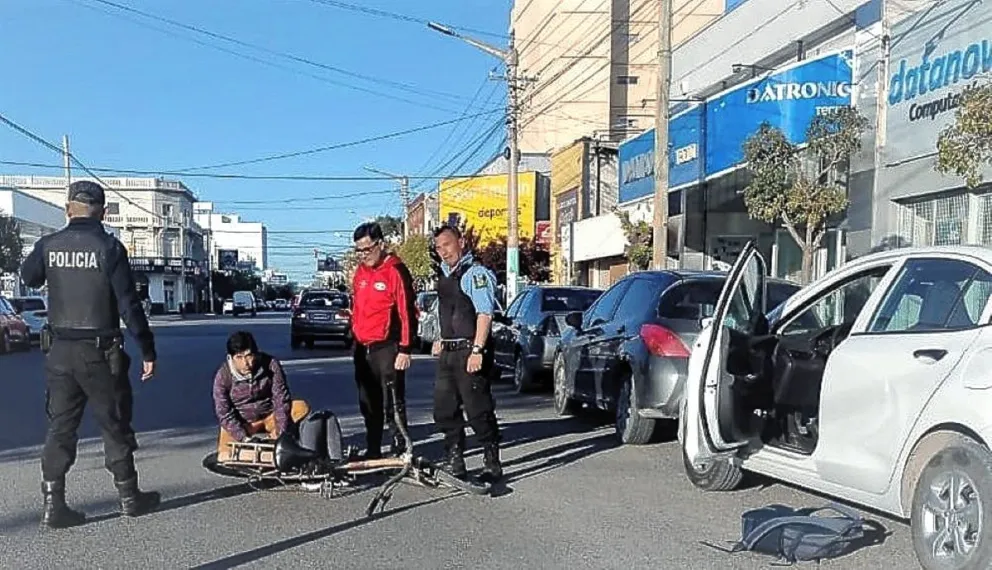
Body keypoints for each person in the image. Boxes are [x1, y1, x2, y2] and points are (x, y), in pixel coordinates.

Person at [19, 180, 160, 529]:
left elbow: (29, 276)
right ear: (104, 211)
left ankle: (54, 504)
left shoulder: (49, 244)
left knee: (60, 427)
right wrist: (147, 348)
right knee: (113, 423)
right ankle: (129, 497)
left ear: (69, 208)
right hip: (100, 352)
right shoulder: (109, 248)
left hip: (59, 352)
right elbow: (129, 304)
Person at [431, 224, 503, 483]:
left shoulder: (475, 274)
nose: (443, 252)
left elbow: (485, 314)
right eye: (439, 248)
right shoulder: (444, 275)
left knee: (477, 410)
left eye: (447, 245)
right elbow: (448, 313)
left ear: (461, 242)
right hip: (449, 352)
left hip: (469, 351)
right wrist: (441, 339)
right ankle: (455, 458)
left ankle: (491, 460)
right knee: (444, 409)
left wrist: (477, 350)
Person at [350, 222, 418, 458]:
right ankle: (373, 450)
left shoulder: (395, 270)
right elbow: (357, 307)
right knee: (368, 403)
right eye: (358, 250)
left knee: (392, 403)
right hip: (363, 348)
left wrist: (405, 349)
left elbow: (407, 312)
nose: (363, 255)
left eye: (367, 249)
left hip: (388, 347)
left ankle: (400, 450)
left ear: (381, 244)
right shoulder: (360, 273)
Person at [213, 331, 311, 462]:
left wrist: (281, 434)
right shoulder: (223, 376)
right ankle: (268, 455)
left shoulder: (271, 365)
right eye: (239, 357)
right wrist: (243, 438)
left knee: (301, 407)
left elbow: (281, 399)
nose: (246, 363)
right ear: (231, 358)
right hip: (243, 422)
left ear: (255, 354)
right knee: (223, 455)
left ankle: (275, 445)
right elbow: (224, 413)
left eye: (248, 356)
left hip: (269, 416)